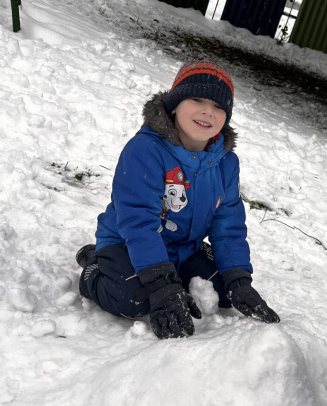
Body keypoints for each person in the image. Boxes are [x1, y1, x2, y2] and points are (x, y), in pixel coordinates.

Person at [76, 60, 280, 340]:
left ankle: (175, 277)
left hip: (185, 248)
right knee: (134, 298)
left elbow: (228, 226)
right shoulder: (145, 150)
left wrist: (239, 280)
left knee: (223, 292)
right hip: (129, 243)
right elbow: (138, 222)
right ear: (174, 104)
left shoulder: (226, 163)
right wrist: (161, 287)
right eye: (197, 99)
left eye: (219, 106)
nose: (208, 111)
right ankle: (95, 265)